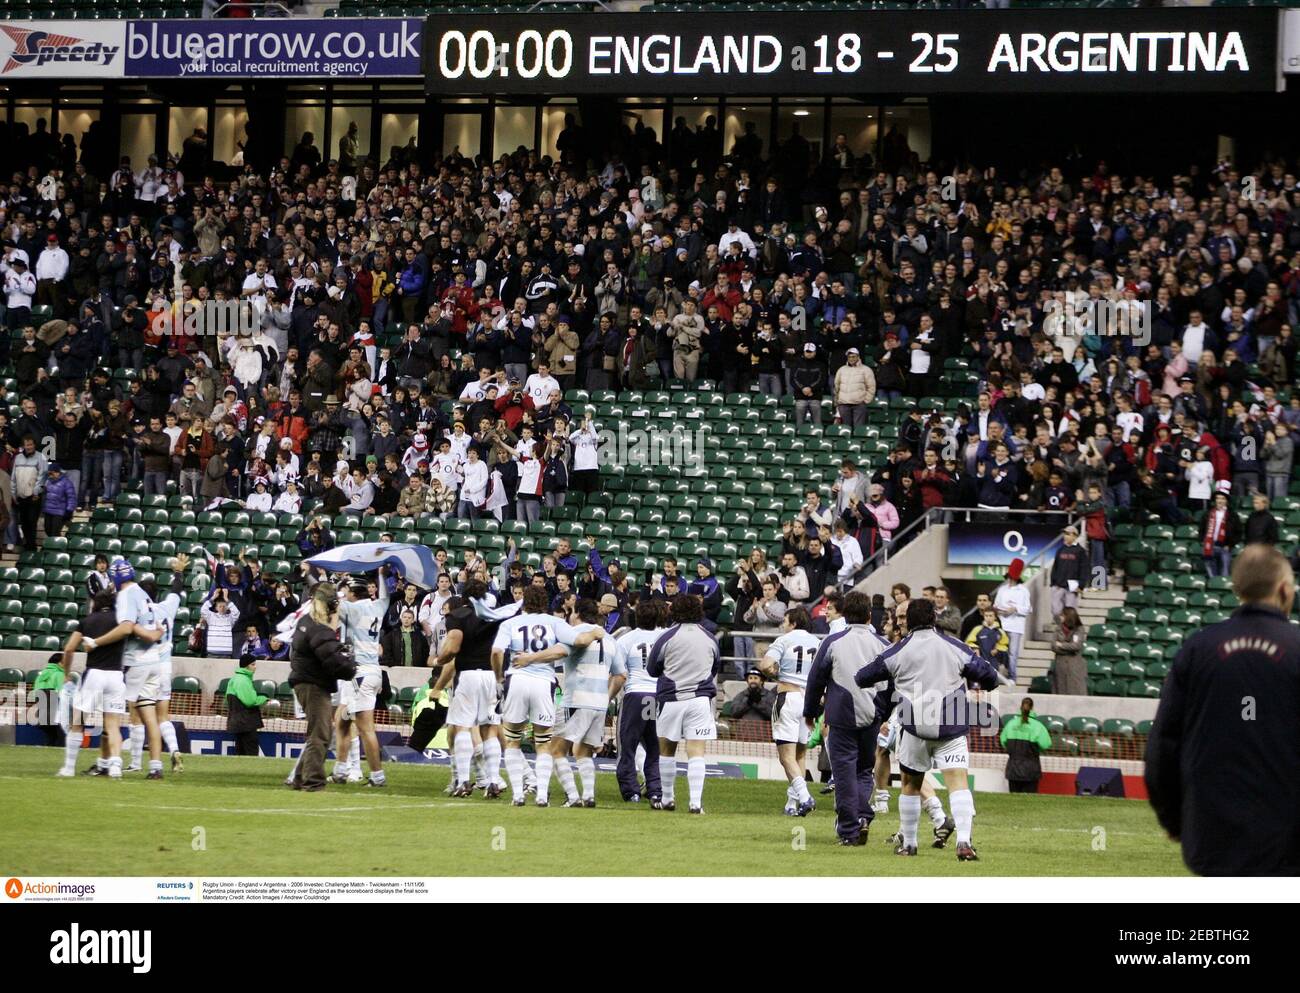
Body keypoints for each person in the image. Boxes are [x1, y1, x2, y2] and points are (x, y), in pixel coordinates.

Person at [1146, 544, 1300, 875]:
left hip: (1214, 837)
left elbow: (1163, 744)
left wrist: (1174, 819)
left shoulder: (1197, 648)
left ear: (1236, 589)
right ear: (1285, 589)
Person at [854, 597, 1003, 860]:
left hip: (914, 728)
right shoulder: (955, 647)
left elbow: (862, 676)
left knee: (911, 784)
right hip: (951, 727)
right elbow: (990, 677)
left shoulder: (897, 651)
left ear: (908, 621)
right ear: (934, 619)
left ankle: (909, 844)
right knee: (958, 783)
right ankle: (964, 843)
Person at [489, 585, 606, 806]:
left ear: (523, 600)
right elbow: (579, 641)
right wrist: (594, 632)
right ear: (545, 602)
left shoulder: (510, 623)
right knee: (543, 742)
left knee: (513, 740)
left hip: (517, 679)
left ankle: (518, 795)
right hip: (544, 681)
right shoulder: (555, 623)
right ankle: (542, 795)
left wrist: (498, 678)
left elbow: (496, 652)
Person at [802, 591, 889, 846]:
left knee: (844, 774)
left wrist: (810, 712)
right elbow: (891, 684)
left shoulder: (833, 642)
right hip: (872, 715)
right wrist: (884, 713)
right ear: (870, 615)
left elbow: (816, 679)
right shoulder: (882, 644)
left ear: (844, 614)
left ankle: (850, 830)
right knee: (863, 770)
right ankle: (862, 817)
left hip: (841, 715)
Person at [55, 590, 160, 778]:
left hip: (94, 674)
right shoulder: (122, 620)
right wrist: (159, 631)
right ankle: (115, 767)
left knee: (78, 722)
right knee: (112, 725)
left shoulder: (87, 621)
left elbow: (69, 648)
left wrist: (66, 673)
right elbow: (148, 636)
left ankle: (69, 768)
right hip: (116, 676)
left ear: (95, 603)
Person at [646, 593, 721, 813]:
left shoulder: (667, 637)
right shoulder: (710, 638)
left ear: (674, 612)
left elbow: (652, 669)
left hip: (671, 700)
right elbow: (714, 667)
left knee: (667, 749)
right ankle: (695, 803)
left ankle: (668, 799)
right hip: (699, 700)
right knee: (696, 750)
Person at [431, 581, 505, 798]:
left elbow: (453, 646)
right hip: (491, 675)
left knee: (462, 726)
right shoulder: (494, 616)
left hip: (469, 674)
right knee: (489, 729)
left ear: (463, 596)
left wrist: (439, 659)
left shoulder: (458, 615)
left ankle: (463, 781)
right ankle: (493, 781)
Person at [288, 583, 356, 792]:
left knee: (316, 733)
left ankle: (299, 778)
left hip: (306, 681)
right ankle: (314, 781)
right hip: (314, 684)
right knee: (321, 734)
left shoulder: (307, 622)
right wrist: (350, 664)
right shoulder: (319, 628)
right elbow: (332, 659)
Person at [760, 606, 821, 817]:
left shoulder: (784, 640)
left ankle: (805, 798)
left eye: (785, 621)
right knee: (800, 753)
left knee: (786, 756)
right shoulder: (818, 643)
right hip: (808, 702)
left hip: (788, 697)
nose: (783, 625)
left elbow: (765, 665)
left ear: (793, 623)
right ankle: (792, 804)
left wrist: (775, 674)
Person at [333, 569, 390, 787]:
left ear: (353, 593)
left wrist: (337, 582)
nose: (345, 594)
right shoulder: (378, 606)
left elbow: (331, 603)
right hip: (369, 671)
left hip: (361, 673)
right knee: (341, 719)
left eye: (347, 591)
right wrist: (382, 575)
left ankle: (377, 776)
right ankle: (340, 770)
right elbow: (385, 596)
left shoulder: (352, 608)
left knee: (366, 728)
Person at [613, 598, 666, 803]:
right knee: (653, 747)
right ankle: (654, 790)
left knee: (628, 745)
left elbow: (619, 672)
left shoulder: (626, 639)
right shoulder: (664, 638)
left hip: (635, 695)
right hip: (657, 696)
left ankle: (631, 791)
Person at [1000, 697, 1053, 793]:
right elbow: (1046, 744)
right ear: (1032, 708)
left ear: (1020, 707)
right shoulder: (1038, 726)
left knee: (1013, 801)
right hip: (1031, 770)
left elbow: (1003, 741)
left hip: (1013, 769)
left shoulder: (1010, 724)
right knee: (1030, 802)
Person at [992, 557, 1031, 681]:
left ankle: (1012, 677)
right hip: (1002, 624)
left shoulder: (1023, 590)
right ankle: (998, 676)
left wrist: (1015, 609)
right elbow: (995, 606)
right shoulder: (1002, 590)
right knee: (999, 651)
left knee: (1013, 653)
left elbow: (1028, 609)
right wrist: (999, 610)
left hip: (1015, 626)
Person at [226, 652, 269, 756]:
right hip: (246, 722)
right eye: (253, 664)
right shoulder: (243, 680)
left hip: (238, 722)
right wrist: (264, 699)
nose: (255, 667)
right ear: (246, 666)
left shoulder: (235, 679)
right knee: (251, 752)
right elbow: (250, 701)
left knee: (240, 752)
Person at [1049, 525, 1090, 619]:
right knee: (1055, 611)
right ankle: (1061, 630)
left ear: (1075, 536)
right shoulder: (1060, 550)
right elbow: (1055, 567)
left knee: (1070, 613)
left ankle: (1067, 632)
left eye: (1068, 534)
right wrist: (1053, 583)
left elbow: (1084, 569)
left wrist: (1081, 585)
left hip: (1072, 586)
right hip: (1058, 585)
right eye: (1065, 534)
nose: (1065, 536)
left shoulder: (1080, 551)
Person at [1050, 606, 1087, 695]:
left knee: (1076, 691)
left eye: (1062, 615)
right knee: (1060, 691)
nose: (1060, 617)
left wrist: (1061, 645)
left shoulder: (1079, 629)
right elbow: (1053, 646)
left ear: (1068, 616)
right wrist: (1068, 648)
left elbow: (1076, 646)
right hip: (1060, 666)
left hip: (1074, 667)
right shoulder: (1058, 629)